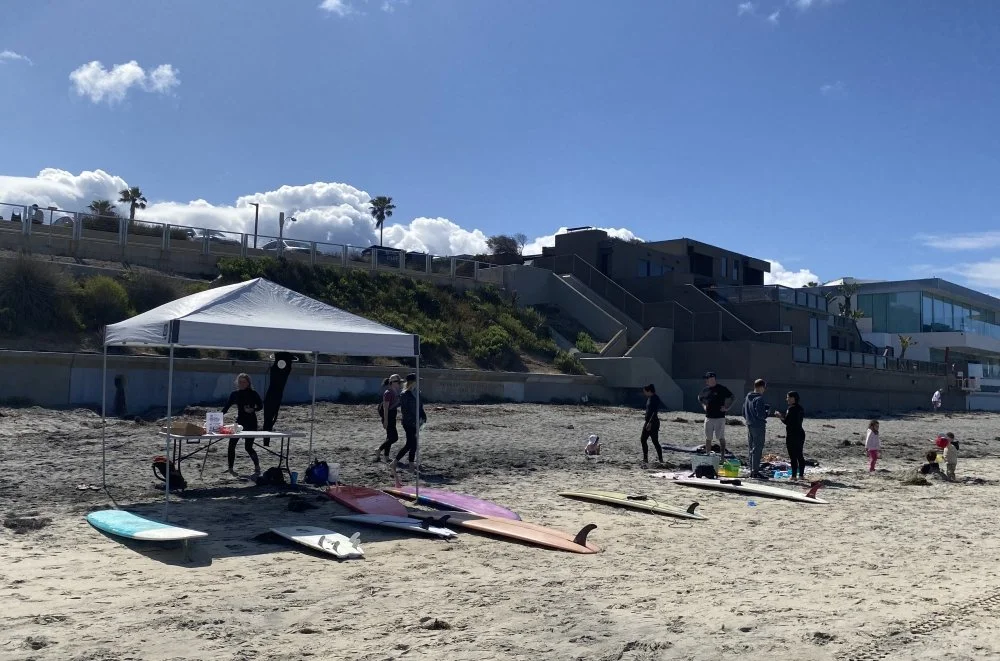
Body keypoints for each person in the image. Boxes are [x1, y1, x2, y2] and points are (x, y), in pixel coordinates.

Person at [221, 373, 262, 477]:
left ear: (248, 383)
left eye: (244, 382)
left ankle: (257, 466)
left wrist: (253, 409)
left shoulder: (253, 393)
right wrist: (216, 417)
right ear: (237, 383)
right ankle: (230, 468)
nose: (242, 384)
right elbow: (226, 407)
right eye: (240, 382)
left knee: (248, 447)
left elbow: (261, 406)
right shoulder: (234, 394)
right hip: (239, 422)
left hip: (252, 422)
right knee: (231, 445)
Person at [393, 373, 426, 470]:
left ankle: (411, 464)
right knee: (410, 444)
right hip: (409, 423)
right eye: (417, 380)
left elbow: (420, 407)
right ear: (412, 382)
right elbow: (405, 411)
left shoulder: (417, 392)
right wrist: (413, 421)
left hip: (418, 422)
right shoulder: (404, 394)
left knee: (414, 443)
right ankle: (394, 462)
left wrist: (423, 416)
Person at [698, 372, 733, 456]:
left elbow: (733, 397)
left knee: (721, 437)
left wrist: (727, 407)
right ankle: (708, 455)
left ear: (712, 379)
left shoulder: (722, 389)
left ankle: (722, 457)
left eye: (707, 379)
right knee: (708, 438)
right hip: (708, 417)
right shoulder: (705, 390)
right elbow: (699, 397)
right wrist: (704, 406)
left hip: (720, 417)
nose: (706, 381)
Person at [742, 379, 771, 478]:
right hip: (758, 425)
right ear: (761, 387)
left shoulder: (747, 398)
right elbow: (761, 415)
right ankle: (755, 471)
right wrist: (767, 412)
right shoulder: (759, 399)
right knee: (757, 448)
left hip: (749, 424)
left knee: (751, 448)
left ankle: (752, 470)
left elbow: (743, 412)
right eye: (764, 388)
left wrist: (749, 419)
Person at [775, 390, 806, 480]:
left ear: (793, 398)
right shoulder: (800, 408)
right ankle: (801, 475)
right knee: (799, 455)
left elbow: (787, 422)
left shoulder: (791, 408)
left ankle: (793, 476)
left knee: (793, 456)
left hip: (792, 434)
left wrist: (780, 416)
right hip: (800, 433)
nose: (786, 399)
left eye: (788, 397)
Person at [376, 374, 402, 461]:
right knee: (394, 438)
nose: (399, 384)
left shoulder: (394, 392)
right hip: (388, 417)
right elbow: (386, 408)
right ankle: (379, 449)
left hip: (392, 416)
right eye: (398, 382)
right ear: (392, 383)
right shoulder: (388, 393)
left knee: (389, 437)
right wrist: (385, 420)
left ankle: (386, 456)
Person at [640, 384, 664, 465]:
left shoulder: (655, 398)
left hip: (653, 423)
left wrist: (650, 423)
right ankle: (645, 459)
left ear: (649, 391)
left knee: (655, 441)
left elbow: (655, 412)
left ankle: (661, 459)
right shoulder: (649, 398)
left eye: (645, 391)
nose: (644, 393)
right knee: (643, 439)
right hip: (648, 422)